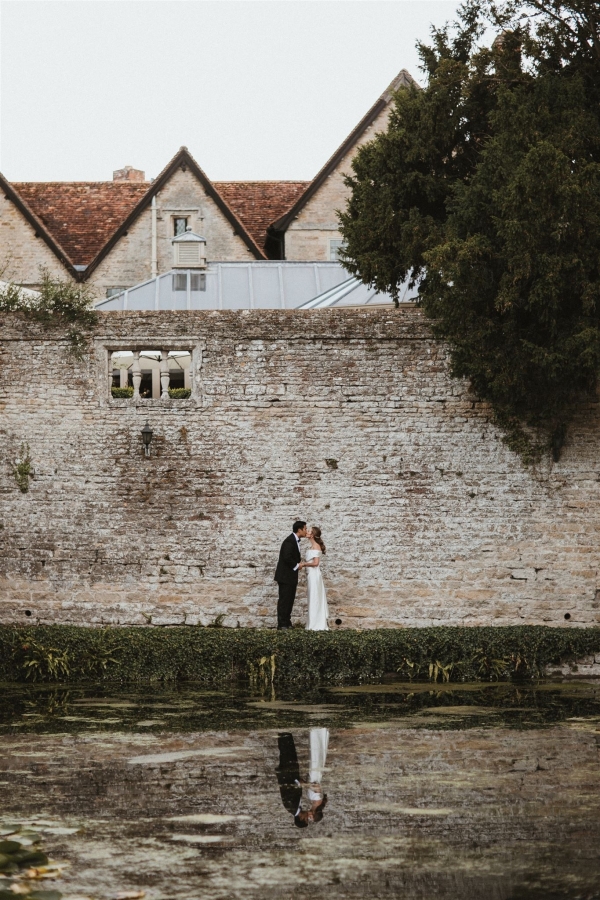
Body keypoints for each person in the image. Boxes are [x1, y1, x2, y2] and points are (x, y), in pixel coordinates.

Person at [274, 521, 307, 630]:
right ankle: (282, 624)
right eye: (305, 529)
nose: (306, 531)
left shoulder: (294, 540)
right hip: (285, 576)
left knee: (290, 600)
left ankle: (287, 622)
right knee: (284, 600)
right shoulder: (289, 541)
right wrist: (297, 565)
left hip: (290, 576)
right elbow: (287, 557)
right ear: (299, 530)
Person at [304, 526, 329, 631]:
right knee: (312, 597)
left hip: (314, 575)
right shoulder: (312, 546)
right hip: (311, 574)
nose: (306, 531)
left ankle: (316, 625)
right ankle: (312, 623)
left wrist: (303, 564)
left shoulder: (316, 546)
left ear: (312, 535)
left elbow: (315, 563)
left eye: (309, 531)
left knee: (315, 597)